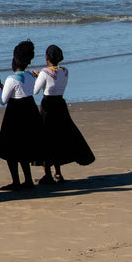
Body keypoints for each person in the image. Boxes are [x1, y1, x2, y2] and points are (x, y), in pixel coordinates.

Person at [33, 44, 95, 183]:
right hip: (60, 104)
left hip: (48, 106)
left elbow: (35, 91)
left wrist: (37, 77)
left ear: (47, 57)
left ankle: (47, 174)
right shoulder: (65, 71)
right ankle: (58, 173)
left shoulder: (44, 72)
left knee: (46, 139)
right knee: (59, 138)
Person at [0, 40, 44, 190]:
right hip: (29, 109)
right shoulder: (30, 76)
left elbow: (2, 100)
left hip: (15, 113)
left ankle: (16, 181)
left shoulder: (11, 79)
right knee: (24, 148)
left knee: (11, 149)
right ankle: (27, 179)